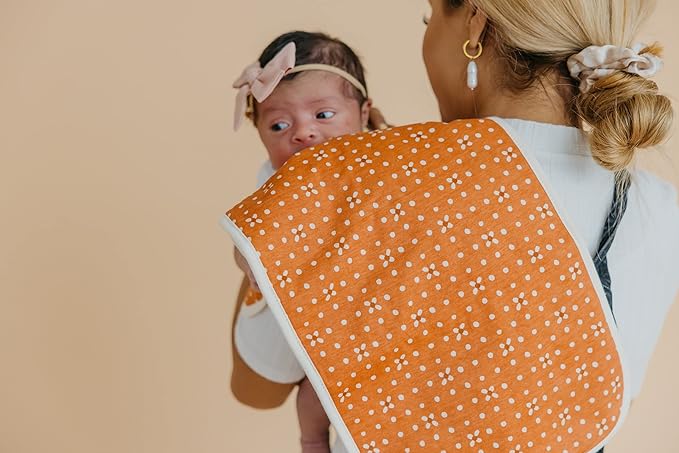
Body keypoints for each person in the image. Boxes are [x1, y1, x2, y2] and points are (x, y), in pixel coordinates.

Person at [226, 1, 679, 451]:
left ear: (474, 24)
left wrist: (310, 189)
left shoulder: (370, 180)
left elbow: (259, 386)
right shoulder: (662, 208)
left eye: (430, 18)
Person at [229, 30, 386, 453]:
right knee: (305, 392)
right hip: (287, 308)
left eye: (323, 114)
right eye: (279, 125)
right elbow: (244, 239)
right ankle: (311, 441)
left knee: (333, 394)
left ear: (364, 114)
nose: (302, 133)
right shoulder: (277, 181)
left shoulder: (384, 163)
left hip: (357, 322)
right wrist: (250, 263)